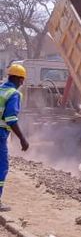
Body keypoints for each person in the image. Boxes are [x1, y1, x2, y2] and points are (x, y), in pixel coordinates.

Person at [0, 64, 30, 212]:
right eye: (22, 80)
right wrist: (22, 139)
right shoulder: (14, 94)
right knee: (1, 167)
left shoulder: (0, 89)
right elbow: (11, 118)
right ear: (19, 79)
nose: (22, 83)